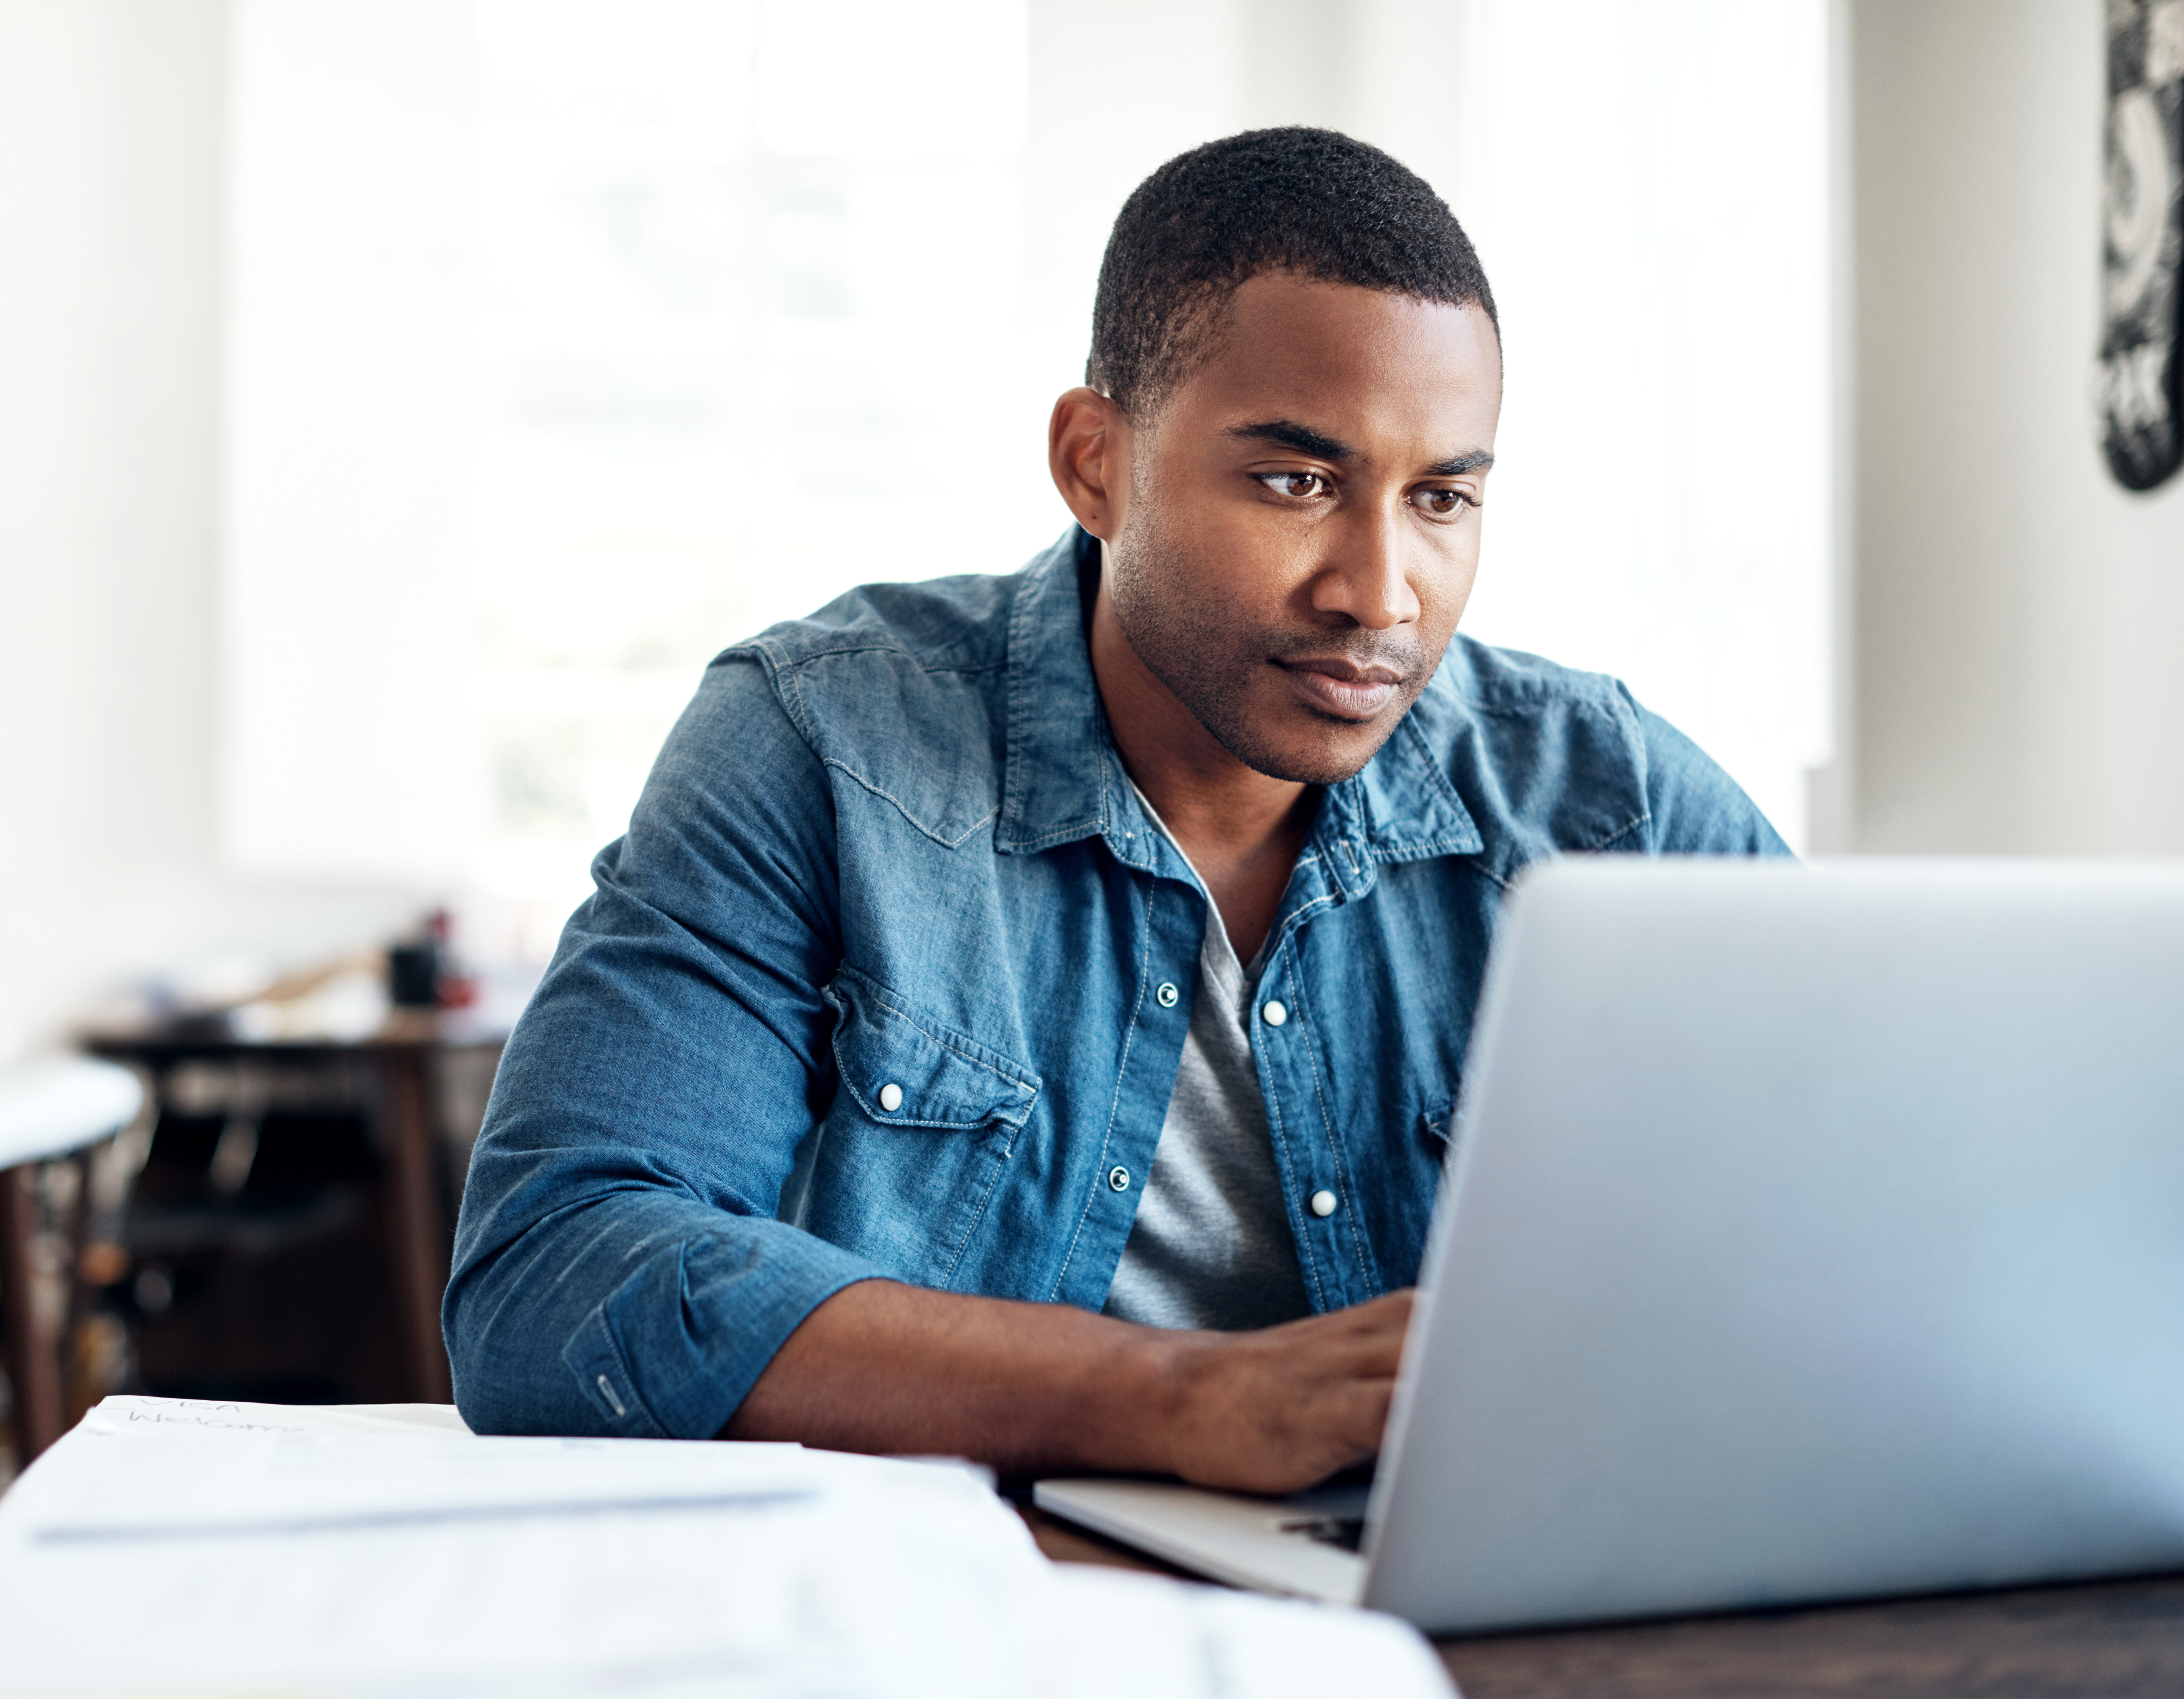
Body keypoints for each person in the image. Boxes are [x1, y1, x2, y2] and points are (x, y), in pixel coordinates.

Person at [445, 128, 1788, 1492]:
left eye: (1441, 497)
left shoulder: (1604, 799)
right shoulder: (825, 743)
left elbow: (1893, 1232)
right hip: (983, 1595)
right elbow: (556, 1271)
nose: (1380, 593)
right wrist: (1175, 1396)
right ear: (1097, 462)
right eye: (1297, 482)